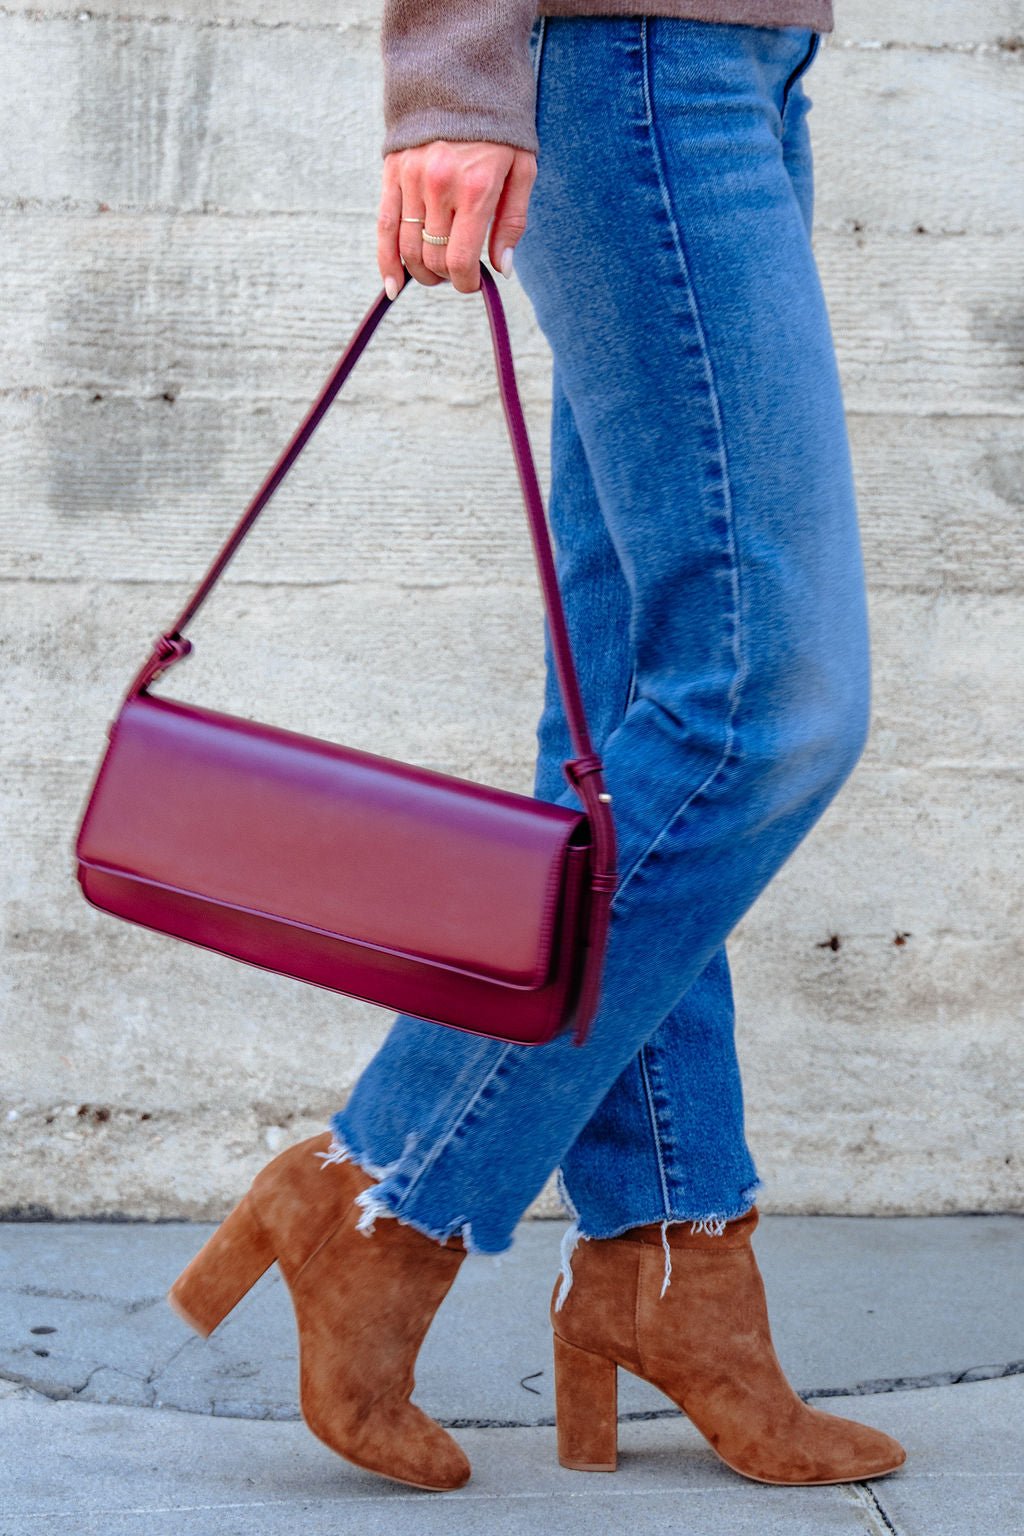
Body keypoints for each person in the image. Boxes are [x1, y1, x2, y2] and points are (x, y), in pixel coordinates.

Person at [167, 1, 908, 1494]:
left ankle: (671, 1267)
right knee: (763, 702)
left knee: (637, 711)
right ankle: (384, 1188)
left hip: (736, 59)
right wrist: (452, 70)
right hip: (634, 54)